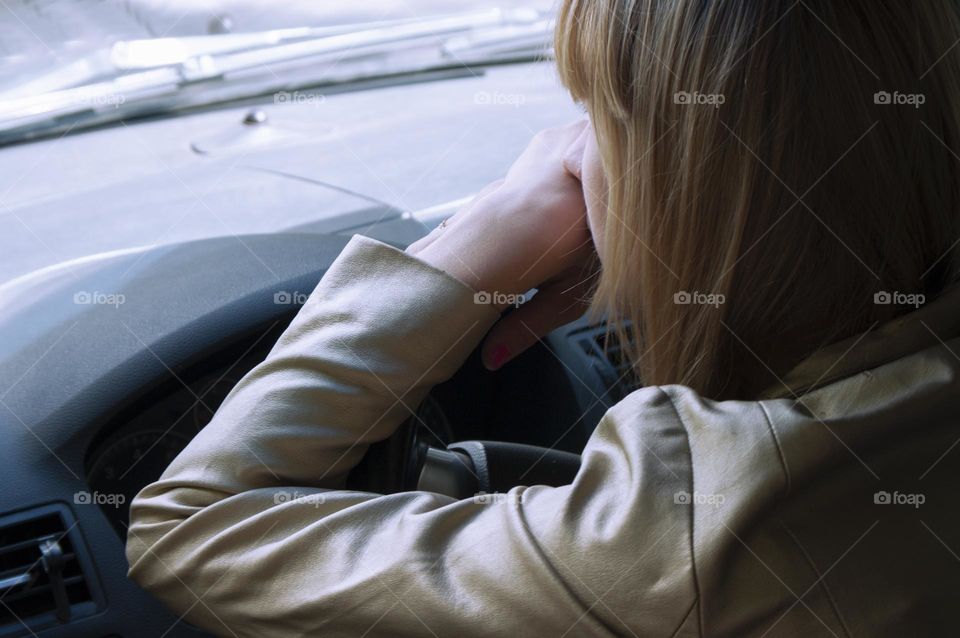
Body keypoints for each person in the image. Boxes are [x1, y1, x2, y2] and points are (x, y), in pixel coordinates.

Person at [126, 0, 960, 635]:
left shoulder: (724, 512)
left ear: (692, 190)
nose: (569, 145)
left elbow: (190, 532)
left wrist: (467, 252)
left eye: (604, 121)